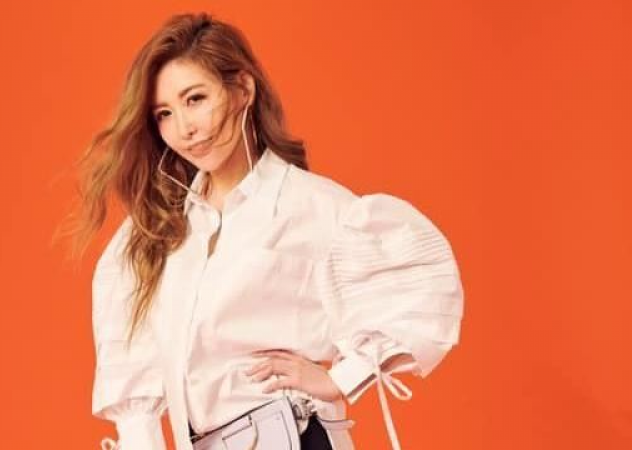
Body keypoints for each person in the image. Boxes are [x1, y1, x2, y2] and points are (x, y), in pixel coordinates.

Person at [70, 12, 464, 450]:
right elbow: (134, 380)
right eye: (164, 113)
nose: (184, 128)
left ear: (242, 89)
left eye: (195, 99)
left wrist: (342, 378)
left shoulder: (312, 206)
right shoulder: (160, 228)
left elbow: (423, 290)